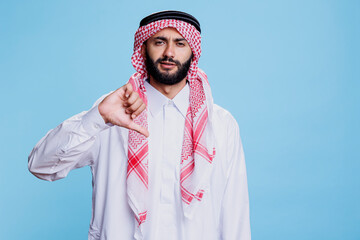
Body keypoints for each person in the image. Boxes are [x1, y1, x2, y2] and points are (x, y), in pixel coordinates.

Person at [28, 10, 251, 240]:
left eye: (180, 43)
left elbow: (235, 219)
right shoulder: (110, 115)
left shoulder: (221, 125)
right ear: (143, 49)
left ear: (193, 51)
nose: (169, 53)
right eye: (159, 42)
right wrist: (96, 118)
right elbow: (40, 166)